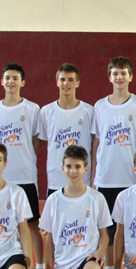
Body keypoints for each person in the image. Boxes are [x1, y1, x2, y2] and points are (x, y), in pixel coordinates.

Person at [0, 63, 45, 269]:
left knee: (31, 224)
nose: (11, 81)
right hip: (1, 180)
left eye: (15, 78)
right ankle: (3, 268)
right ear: (2, 81)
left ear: (22, 82)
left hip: (25, 176)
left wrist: (23, 157)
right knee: (5, 224)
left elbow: (37, 141)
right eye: (7, 77)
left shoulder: (33, 109)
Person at [91, 56, 136, 269]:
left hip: (131, 179)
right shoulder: (99, 106)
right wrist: (93, 176)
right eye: (115, 73)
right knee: (109, 232)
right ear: (109, 77)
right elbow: (96, 142)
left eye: (123, 73)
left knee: (131, 231)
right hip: (106, 178)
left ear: (130, 76)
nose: (119, 77)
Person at [40, 145, 112, 269]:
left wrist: (100, 252)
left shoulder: (96, 198)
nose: (73, 171)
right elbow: (49, 239)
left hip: (87, 256)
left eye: (78, 167)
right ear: (62, 168)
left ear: (86, 169)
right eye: (69, 166)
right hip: (64, 266)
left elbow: (105, 235)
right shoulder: (54, 200)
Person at [38, 63, 94, 196]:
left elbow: (93, 144)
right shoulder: (46, 111)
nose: (66, 84)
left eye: (70, 80)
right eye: (62, 79)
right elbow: (47, 143)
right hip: (56, 179)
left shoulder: (89, 111)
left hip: (82, 179)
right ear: (57, 82)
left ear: (77, 83)